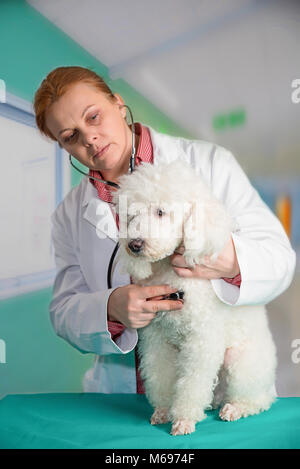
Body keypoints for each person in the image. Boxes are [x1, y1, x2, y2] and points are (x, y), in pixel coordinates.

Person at [34, 66, 296, 394]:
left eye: (94, 117)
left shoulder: (208, 163)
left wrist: (230, 261)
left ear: (117, 103)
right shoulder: (68, 215)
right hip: (122, 391)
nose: (89, 138)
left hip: (219, 382)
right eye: (70, 136)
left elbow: (279, 259)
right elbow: (63, 310)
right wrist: (110, 308)